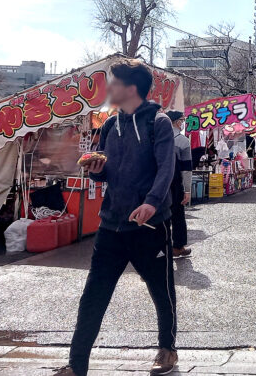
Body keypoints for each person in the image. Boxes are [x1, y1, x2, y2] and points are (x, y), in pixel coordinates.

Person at [56, 60, 178, 376]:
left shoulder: (159, 123)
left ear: (131, 88)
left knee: (161, 290)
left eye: (113, 83)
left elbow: (167, 169)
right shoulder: (110, 125)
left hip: (149, 225)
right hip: (111, 224)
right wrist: (97, 171)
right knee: (93, 294)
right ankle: (76, 365)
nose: (108, 89)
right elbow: (107, 171)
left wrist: (152, 203)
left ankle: (167, 349)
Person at [165, 111, 193, 259]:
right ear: (177, 122)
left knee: (160, 217)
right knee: (177, 215)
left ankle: (161, 248)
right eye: (182, 120)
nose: (183, 123)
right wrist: (187, 189)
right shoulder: (183, 141)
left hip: (157, 183)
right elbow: (186, 169)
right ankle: (178, 246)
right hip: (175, 184)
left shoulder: (155, 138)